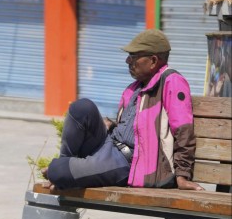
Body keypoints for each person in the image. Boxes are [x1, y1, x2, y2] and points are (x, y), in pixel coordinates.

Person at [45, 29, 201, 191]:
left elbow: (184, 131)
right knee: (82, 107)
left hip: (128, 162)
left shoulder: (172, 82)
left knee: (58, 170)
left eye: (134, 57)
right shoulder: (135, 87)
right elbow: (133, 129)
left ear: (153, 61)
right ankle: (64, 167)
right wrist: (111, 126)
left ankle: (61, 171)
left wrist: (182, 175)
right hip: (109, 147)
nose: (127, 61)